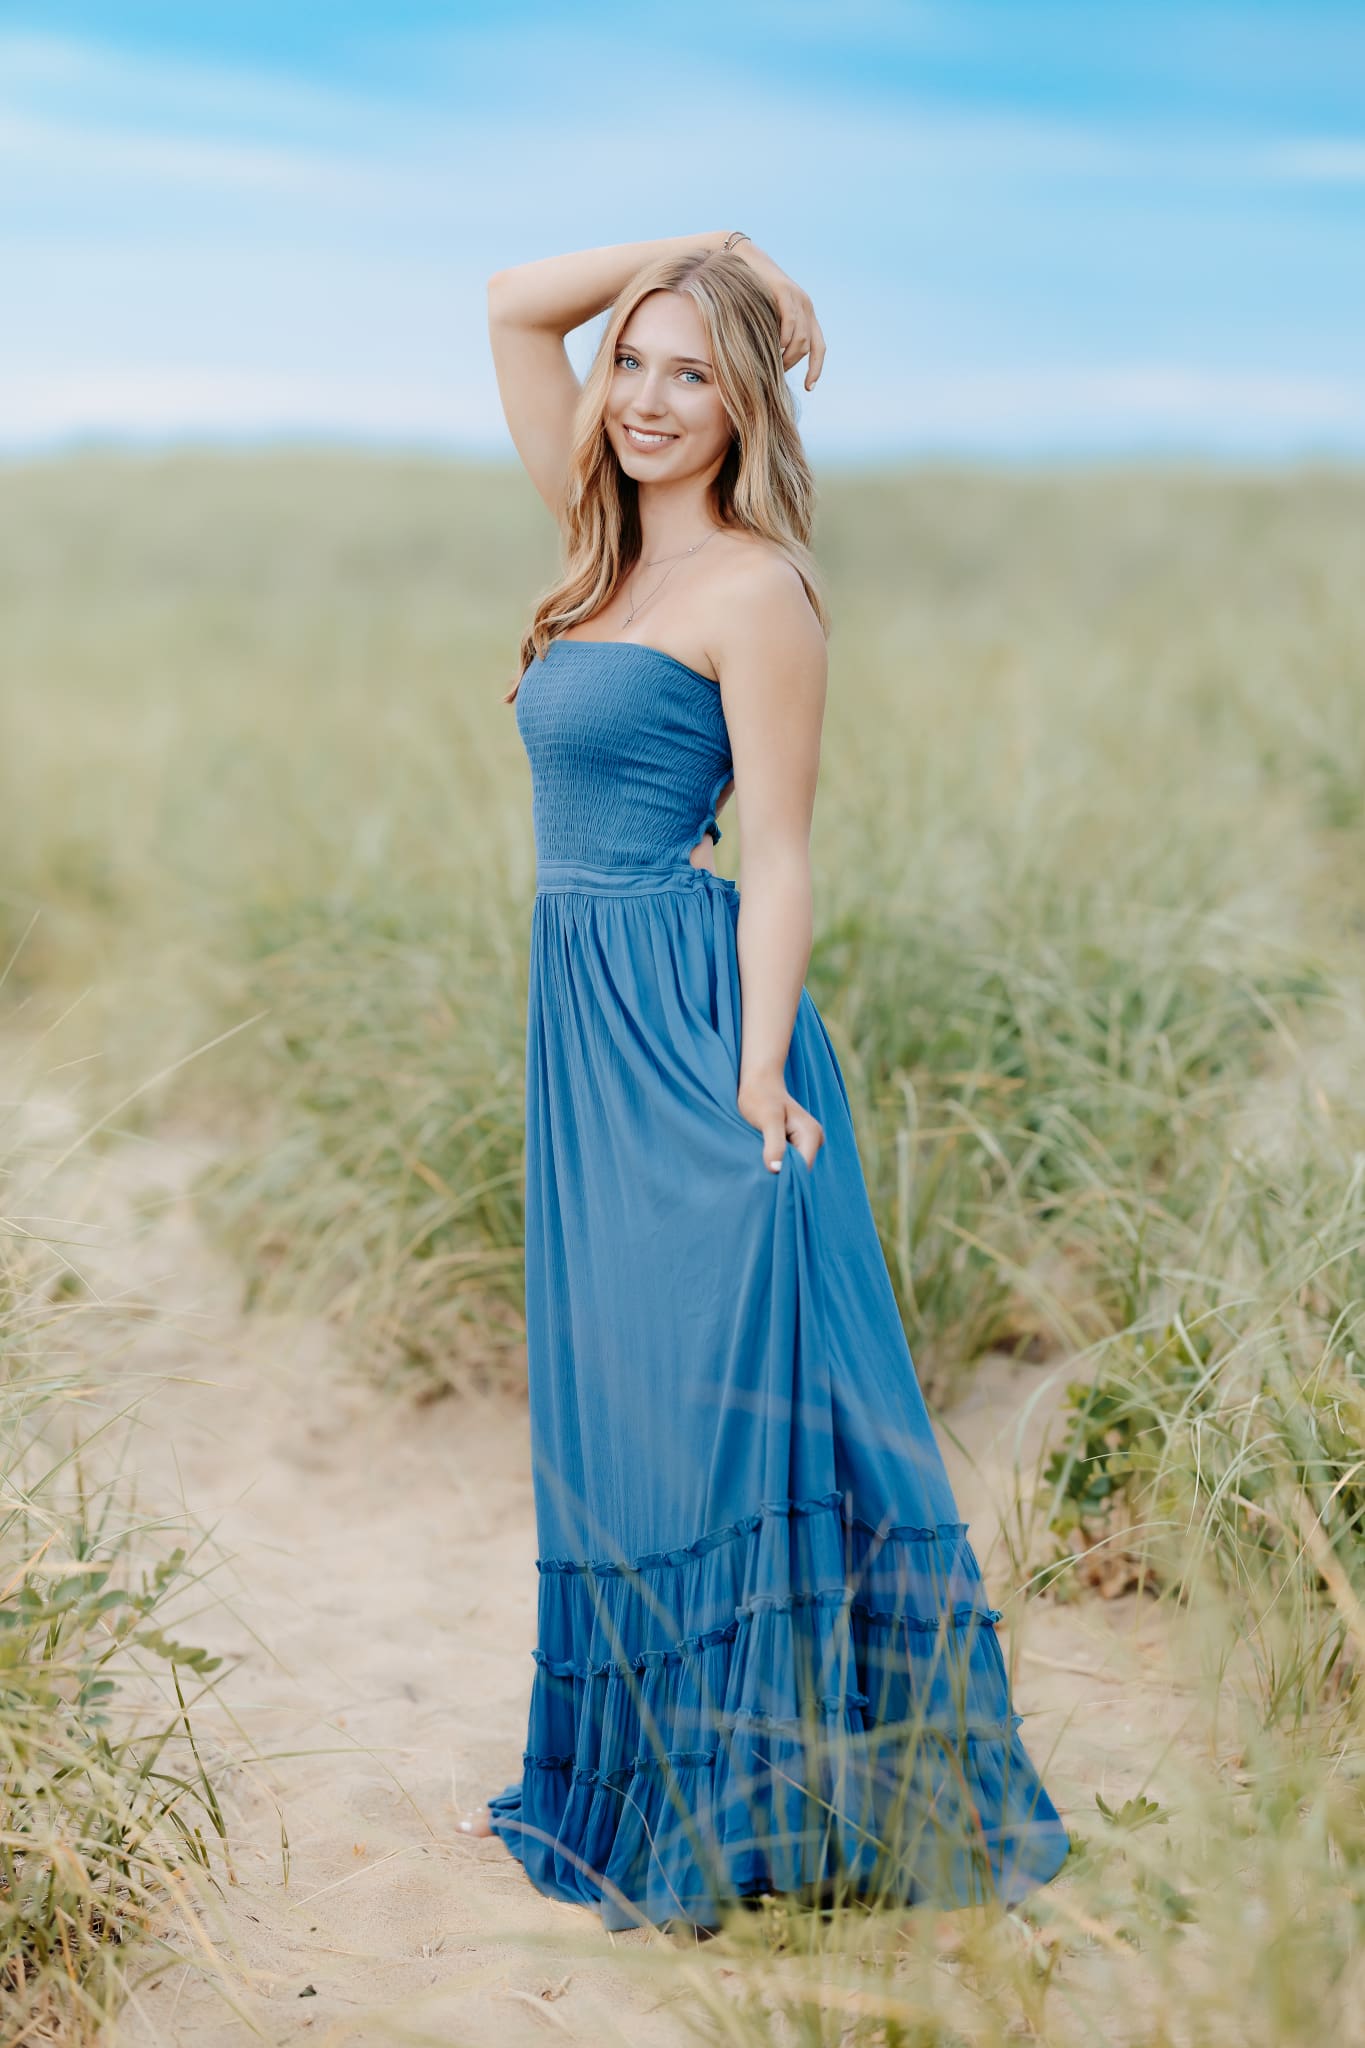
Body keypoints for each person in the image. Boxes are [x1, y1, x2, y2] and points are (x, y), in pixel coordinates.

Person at [458, 230, 1071, 1933]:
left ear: (744, 412)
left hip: (688, 1024)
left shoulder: (759, 590)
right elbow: (514, 300)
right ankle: (649, 1777)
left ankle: (775, 1809)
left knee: (711, 1418)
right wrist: (704, 250)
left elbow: (784, 854)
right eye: (634, 365)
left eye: (693, 376)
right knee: (615, 1415)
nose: (650, 400)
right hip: (580, 1029)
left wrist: (752, 1071)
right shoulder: (593, 557)